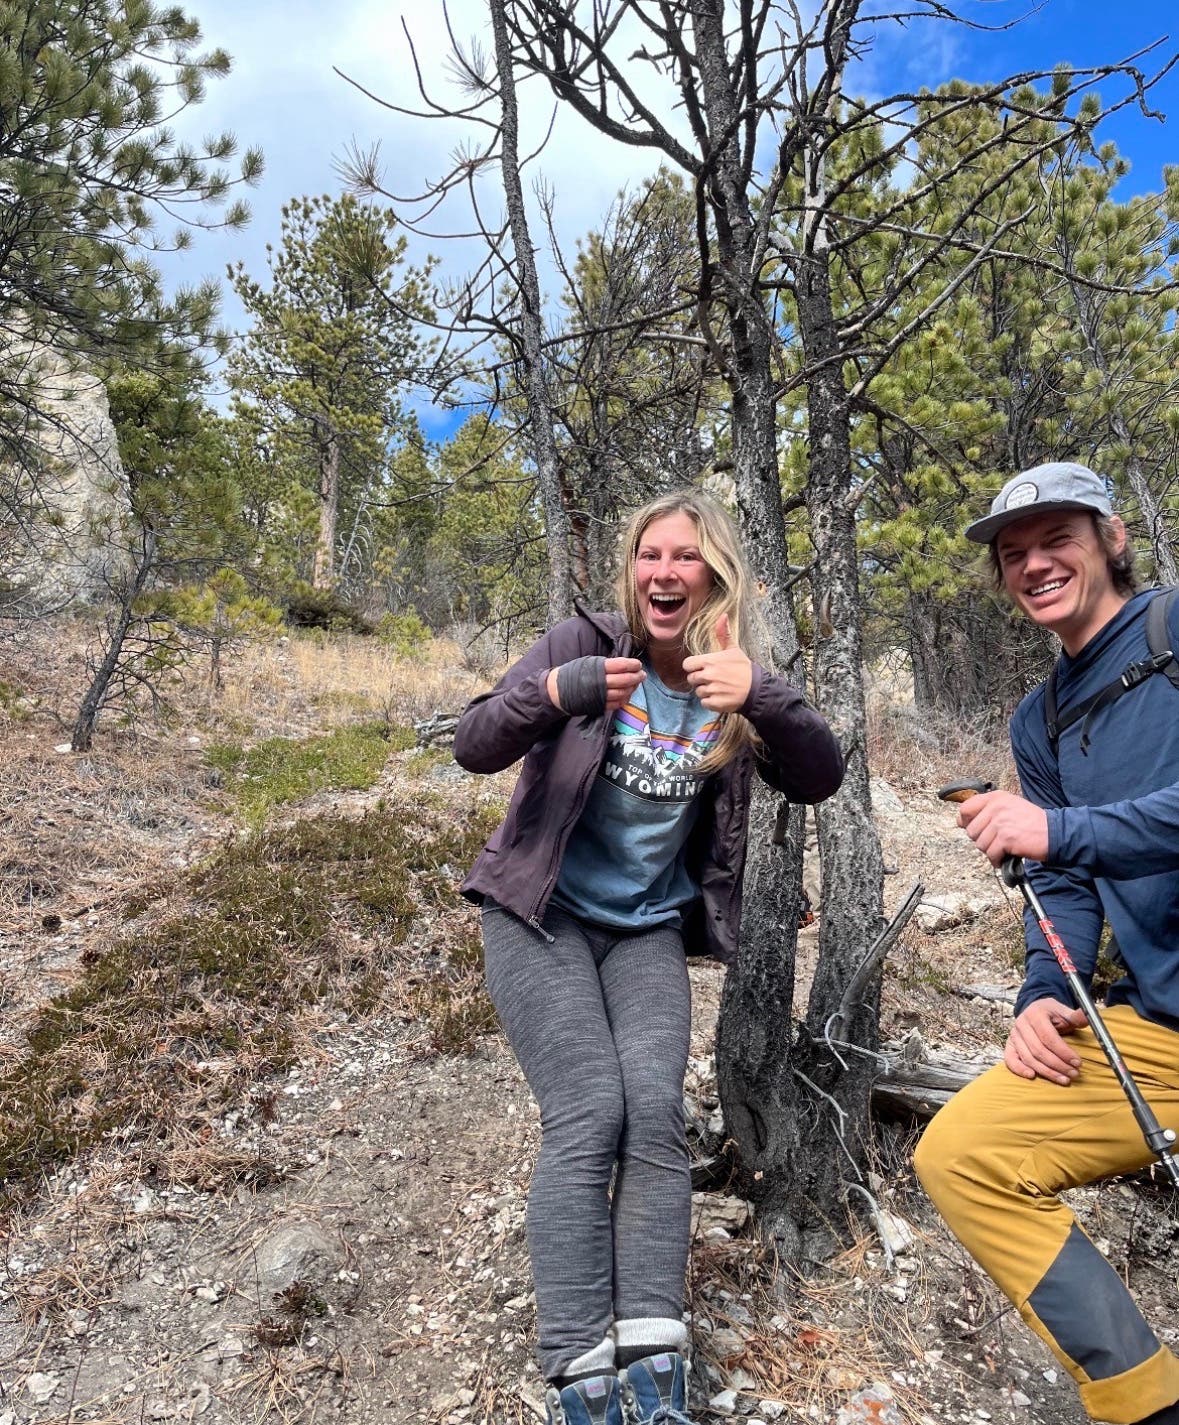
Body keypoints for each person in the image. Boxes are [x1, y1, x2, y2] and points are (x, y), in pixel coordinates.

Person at [453, 490, 843, 1425]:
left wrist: (763, 694)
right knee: (590, 1111)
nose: (664, 573)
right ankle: (580, 1374)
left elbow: (820, 772)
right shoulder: (579, 645)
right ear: (632, 569)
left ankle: (653, 1364)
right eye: (649, 556)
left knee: (655, 1116)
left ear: (715, 574)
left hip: (644, 931)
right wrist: (556, 693)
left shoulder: (730, 679)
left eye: (686, 557)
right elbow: (473, 741)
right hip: (537, 914)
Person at [914, 462, 1179, 1425]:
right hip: (1157, 1026)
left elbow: (1061, 844)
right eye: (1012, 554)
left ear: (1109, 536)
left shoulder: (1172, 627)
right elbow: (1062, 887)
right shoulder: (1041, 719)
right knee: (964, 1154)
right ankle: (1143, 1399)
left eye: (1054, 538)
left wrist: (1056, 831)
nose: (1032, 564)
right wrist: (1038, 990)